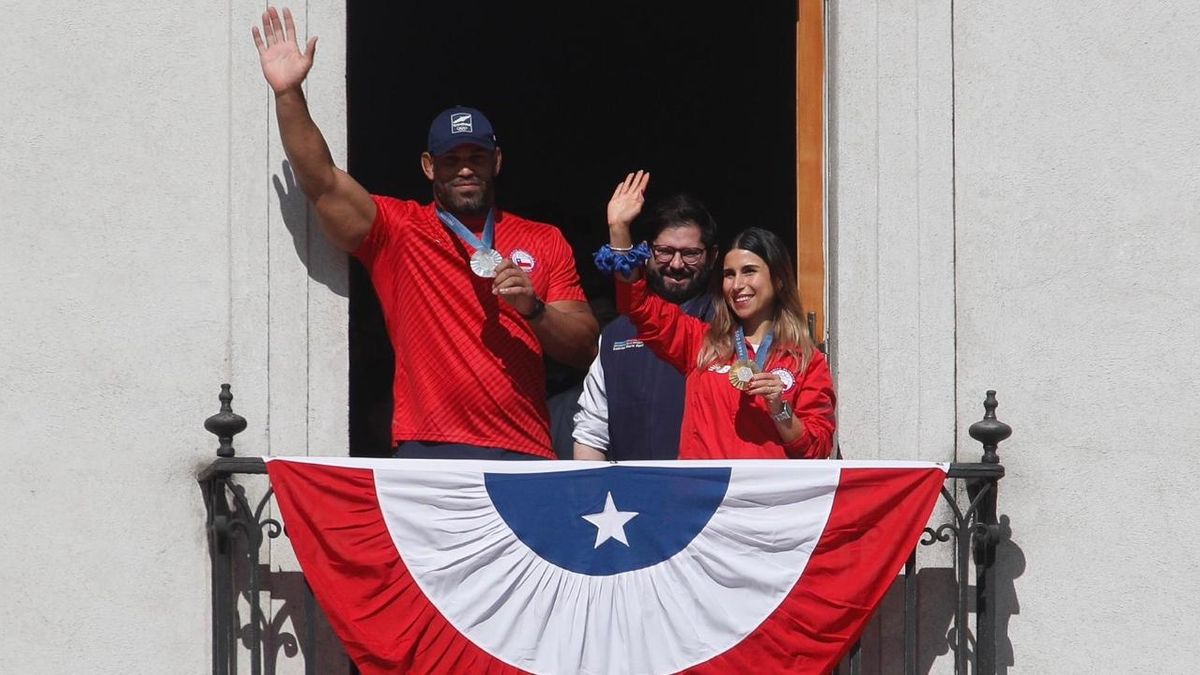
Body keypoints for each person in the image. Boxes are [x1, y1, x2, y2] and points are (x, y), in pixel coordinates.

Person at [251, 7, 598, 460]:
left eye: (477, 156)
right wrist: (288, 92)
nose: (466, 169)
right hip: (428, 447)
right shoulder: (399, 230)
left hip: (522, 449)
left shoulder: (543, 239)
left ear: (497, 162)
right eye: (452, 159)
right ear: (429, 166)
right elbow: (322, 180)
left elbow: (586, 347)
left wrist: (533, 309)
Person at [599, 171, 835, 459]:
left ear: (779, 279)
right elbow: (637, 304)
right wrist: (619, 229)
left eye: (749, 272)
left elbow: (818, 450)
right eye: (729, 274)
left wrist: (779, 407)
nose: (737, 285)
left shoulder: (807, 360)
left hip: (768, 502)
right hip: (704, 499)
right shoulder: (700, 342)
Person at [572, 193, 719, 460]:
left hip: (709, 494)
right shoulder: (615, 334)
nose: (676, 264)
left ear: (712, 256)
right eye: (664, 251)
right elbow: (591, 433)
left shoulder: (730, 329)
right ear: (645, 252)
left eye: (690, 253)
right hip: (631, 497)